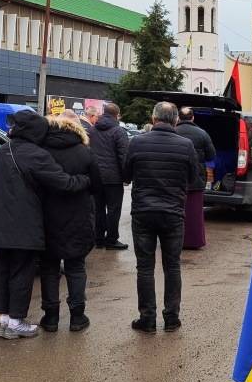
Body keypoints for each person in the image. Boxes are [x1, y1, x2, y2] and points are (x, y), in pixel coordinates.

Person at [0, 111, 91, 339]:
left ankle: (4, 318)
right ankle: (16, 321)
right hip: (23, 223)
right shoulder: (35, 154)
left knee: (3, 270)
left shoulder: (3, 150)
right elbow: (63, 182)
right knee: (22, 270)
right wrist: (84, 180)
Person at [123, 101, 197, 333]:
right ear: (175, 120)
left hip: (143, 211)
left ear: (154, 119)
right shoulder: (186, 145)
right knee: (172, 266)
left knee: (144, 267)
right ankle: (172, 318)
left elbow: (126, 175)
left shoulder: (136, 142)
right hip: (173, 212)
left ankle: (147, 319)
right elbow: (194, 178)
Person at [37, 112, 103, 333]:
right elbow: (97, 185)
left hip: (46, 217)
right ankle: (77, 316)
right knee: (76, 266)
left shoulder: (41, 151)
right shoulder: (84, 152)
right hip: (78, 216)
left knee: (49, 268)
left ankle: (51, 317)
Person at [88, 102, 130, 250]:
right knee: (114, 209)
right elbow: (123, 157)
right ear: (116, 115)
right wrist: (126, 177)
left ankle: (98, 238)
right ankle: (111, 240)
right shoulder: (119, 132)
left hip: (95, 177)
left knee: (98, 209)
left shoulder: (92, 131)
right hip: (113, 178)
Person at [175, 106, 216, 250]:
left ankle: (174, 241)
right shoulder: (202, 133)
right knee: (195, 211)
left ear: (178, 118)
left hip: (175, 179)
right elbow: (211, 155)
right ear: (193, 118)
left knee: (175, 210)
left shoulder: (173, 131)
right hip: (196, 178)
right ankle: (194, 241)